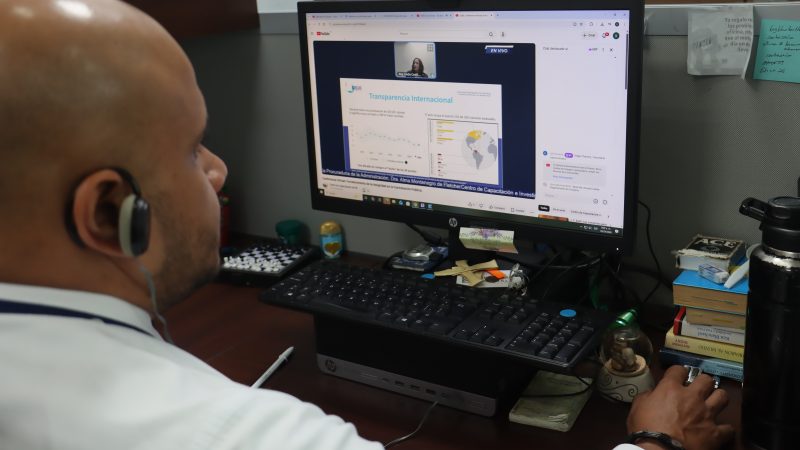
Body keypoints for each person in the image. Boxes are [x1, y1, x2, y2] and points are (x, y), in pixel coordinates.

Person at [0, 1, 734, 449]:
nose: (219, 170)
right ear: (108, 210)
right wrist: (657, 441)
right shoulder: (224, 432)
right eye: (193, 149)